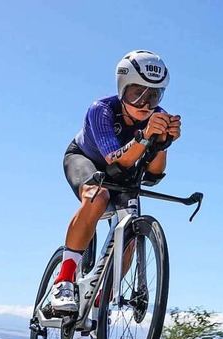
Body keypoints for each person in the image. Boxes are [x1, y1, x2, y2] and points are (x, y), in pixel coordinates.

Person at [52, 50, 181, 313]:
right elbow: (115, 161)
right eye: (137, 93)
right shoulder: (101, 110)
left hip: (123, 172)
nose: (145, 103)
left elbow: (154, 175)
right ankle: (63, 279)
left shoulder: (159, 115)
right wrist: (146, 135)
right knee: (97, 197)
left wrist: (163, 143)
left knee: (129, 231)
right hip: (87, 159)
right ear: (122, 89)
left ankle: (102, 298)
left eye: (153, 95)